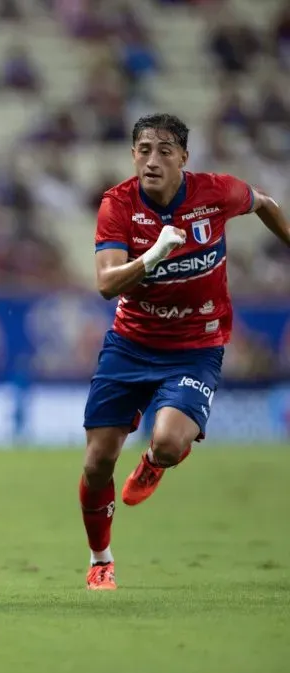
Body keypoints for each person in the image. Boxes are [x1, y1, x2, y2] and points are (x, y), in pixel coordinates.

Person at [82, 112, 290, 590]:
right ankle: (100, 560)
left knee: (170, 444)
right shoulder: (117, 205)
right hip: (130, 345)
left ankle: (155, 462)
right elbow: (104, 284)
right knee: (96, 464)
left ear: (183, 158)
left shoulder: (216, 192)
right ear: (133, 154)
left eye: (164, 150)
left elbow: (265, 202)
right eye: (143, 150)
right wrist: (154, 255)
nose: (152, 160)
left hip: (197, 346)